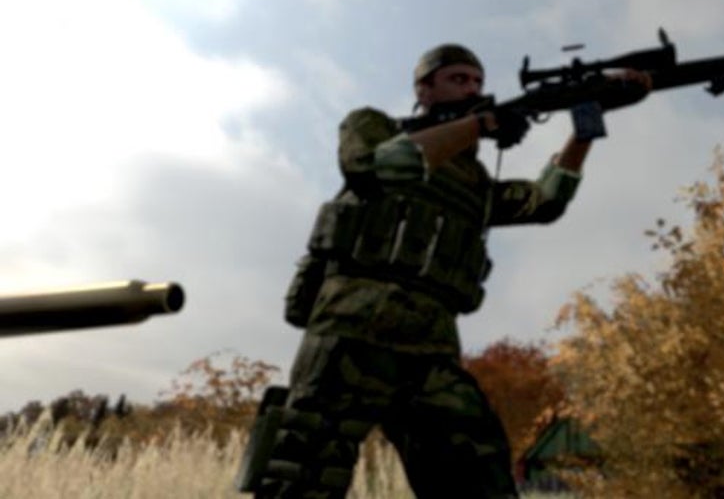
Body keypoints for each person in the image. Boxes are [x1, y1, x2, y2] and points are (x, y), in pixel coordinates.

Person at [249, 44, 650, 498]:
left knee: (479, 475)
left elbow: (545, 201)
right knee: (302, 476)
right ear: (424, 90)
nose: (472, 89)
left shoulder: (475, 184)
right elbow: (376, 166)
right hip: (350, 331)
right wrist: (479, 125)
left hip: (431, 347)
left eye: (478, 82)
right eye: (458, 79)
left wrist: (587, 122)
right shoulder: (373, 125)